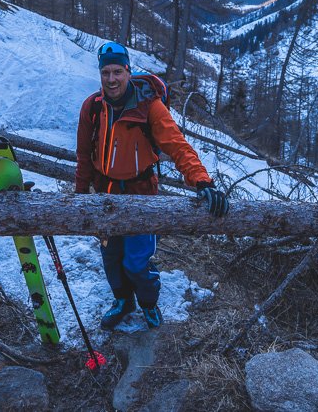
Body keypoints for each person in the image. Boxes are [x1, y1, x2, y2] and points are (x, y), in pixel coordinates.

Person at [75, 41, 230, 329]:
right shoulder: (93, 108)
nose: (111, 79)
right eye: (105, 72)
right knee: (111, 256)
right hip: (105, 195)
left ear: (128, 71)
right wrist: (80, 197)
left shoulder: (150, 107)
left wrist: (203, 182)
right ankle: (122, 301)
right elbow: (84, 155)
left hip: (142, 194)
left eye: (117, 72)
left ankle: (148, 304)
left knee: (137, 261)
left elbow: (178, 146)